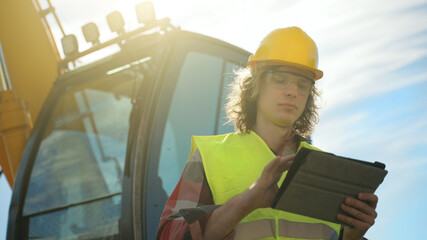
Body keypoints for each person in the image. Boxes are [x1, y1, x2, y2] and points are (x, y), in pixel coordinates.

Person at [157, 27, 379, 240]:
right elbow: (170, 235)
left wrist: (351, 237)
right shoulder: (210, 156)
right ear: (255, 84)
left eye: (302, 85)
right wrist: (247, 201)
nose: (292, 91)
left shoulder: (329, 171)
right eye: (280, 79)